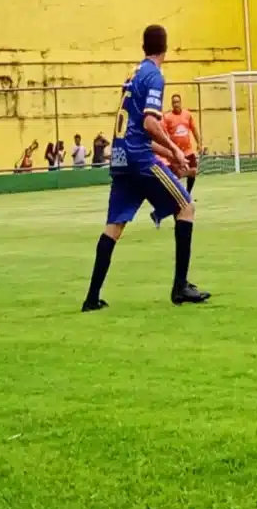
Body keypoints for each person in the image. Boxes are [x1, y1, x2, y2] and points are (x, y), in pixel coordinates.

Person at [82, 25, 209, 312]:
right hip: (139, 160)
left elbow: (135, 132)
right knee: (186, 208)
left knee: (114, 227)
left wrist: (170, 155)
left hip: (121, 159)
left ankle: (91, 298)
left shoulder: (133, 75)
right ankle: (180, 286)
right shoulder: (154, 76)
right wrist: (177, 150)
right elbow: (151, 124)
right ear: (166, 47)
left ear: (143, 46)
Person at [161, 93, 202, 193]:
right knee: (176, 174)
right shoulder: (167, 117)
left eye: (177, 102)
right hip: (176, 152)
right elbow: (164, 134)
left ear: (180, 103)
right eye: (174, 102)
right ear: (171, 104)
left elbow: (194, 129)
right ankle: (176, 194)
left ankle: (188, 193)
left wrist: (199, 143)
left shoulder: (187, 115)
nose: (176, 104)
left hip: (188, 150)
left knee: (193, 171)